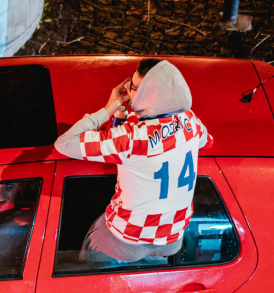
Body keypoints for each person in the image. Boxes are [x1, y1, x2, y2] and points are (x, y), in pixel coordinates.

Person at [54, 58, 209, 264]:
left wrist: (111, 106)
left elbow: (64, 143)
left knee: (89, 259)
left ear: (150, 95)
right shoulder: (190, 120)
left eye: (134, 87)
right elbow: (204, 140)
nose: (127, 88)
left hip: (125, 239)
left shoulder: (131, 138)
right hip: (172, 238)